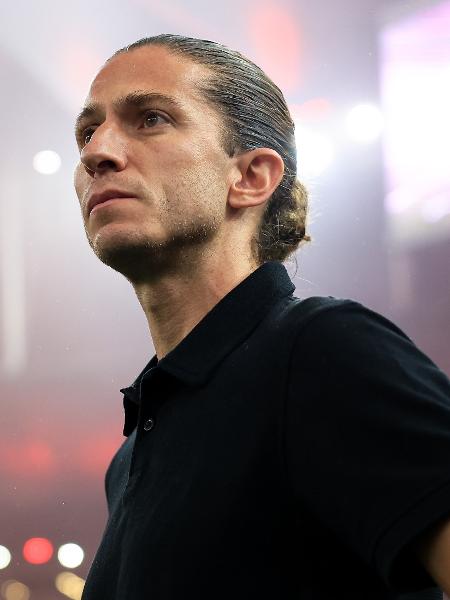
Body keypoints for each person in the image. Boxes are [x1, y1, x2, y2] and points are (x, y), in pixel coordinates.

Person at [73, 34, 450, 600]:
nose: (95, 151)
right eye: (87, 130)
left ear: (250, 177)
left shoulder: (322, 351)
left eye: (150, 118)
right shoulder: (127, 459)